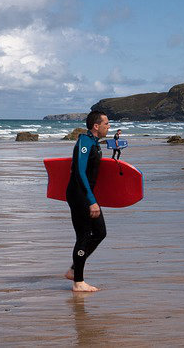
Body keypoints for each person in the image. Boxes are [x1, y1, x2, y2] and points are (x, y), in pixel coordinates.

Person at [64, 110, 110, 292]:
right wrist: (91, 200)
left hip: (86, 194)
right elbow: (80, 172)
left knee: (100, 232)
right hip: (79, 194)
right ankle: (78, 281)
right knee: (83, 235)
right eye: (106, 124)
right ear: (96, 126)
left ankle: (74, 269)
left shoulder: (94, 143)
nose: (109, 127)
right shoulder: (84, 141)